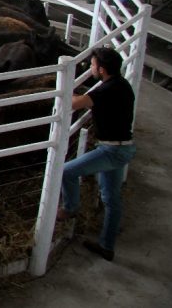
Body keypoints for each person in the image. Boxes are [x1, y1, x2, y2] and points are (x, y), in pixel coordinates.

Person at [59, 47, 136, 262]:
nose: (90, 68)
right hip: (123, 147)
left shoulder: (104, 90)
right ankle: (107, 246)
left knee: (67, 171)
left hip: (111, 150)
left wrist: (64, 89)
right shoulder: (122, 85)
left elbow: (73, 103)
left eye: (92, 65)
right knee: (111, 199)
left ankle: (70, 208)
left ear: (101, 70)